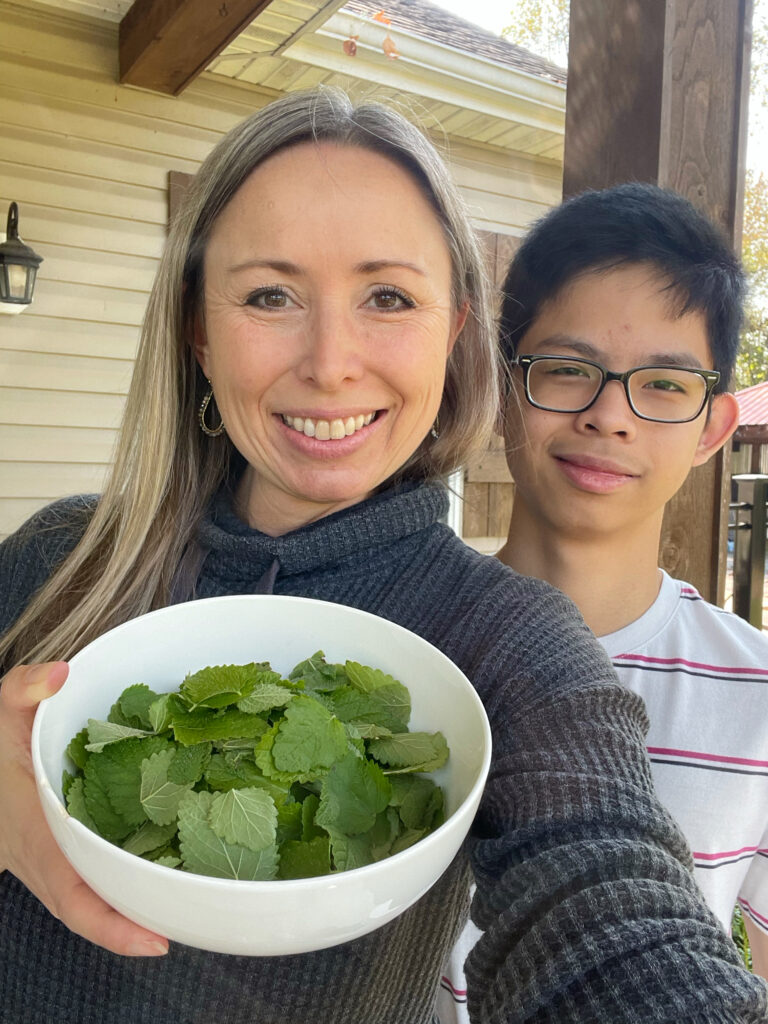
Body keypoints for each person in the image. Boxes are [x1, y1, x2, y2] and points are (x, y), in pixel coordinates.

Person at [0, 95, 765, 1024]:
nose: (330, 363)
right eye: (270, 294)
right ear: (200, 332)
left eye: (389, 297)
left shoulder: (508, 639)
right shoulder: (55, 559)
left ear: (454, 334)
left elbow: (609, 913)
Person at [437, 182, 768, 1024]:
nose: (608, 415)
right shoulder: (394, 637)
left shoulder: (758, 694)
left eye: (663, 385)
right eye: (568, 370)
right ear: (504, 388)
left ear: (711, 428)